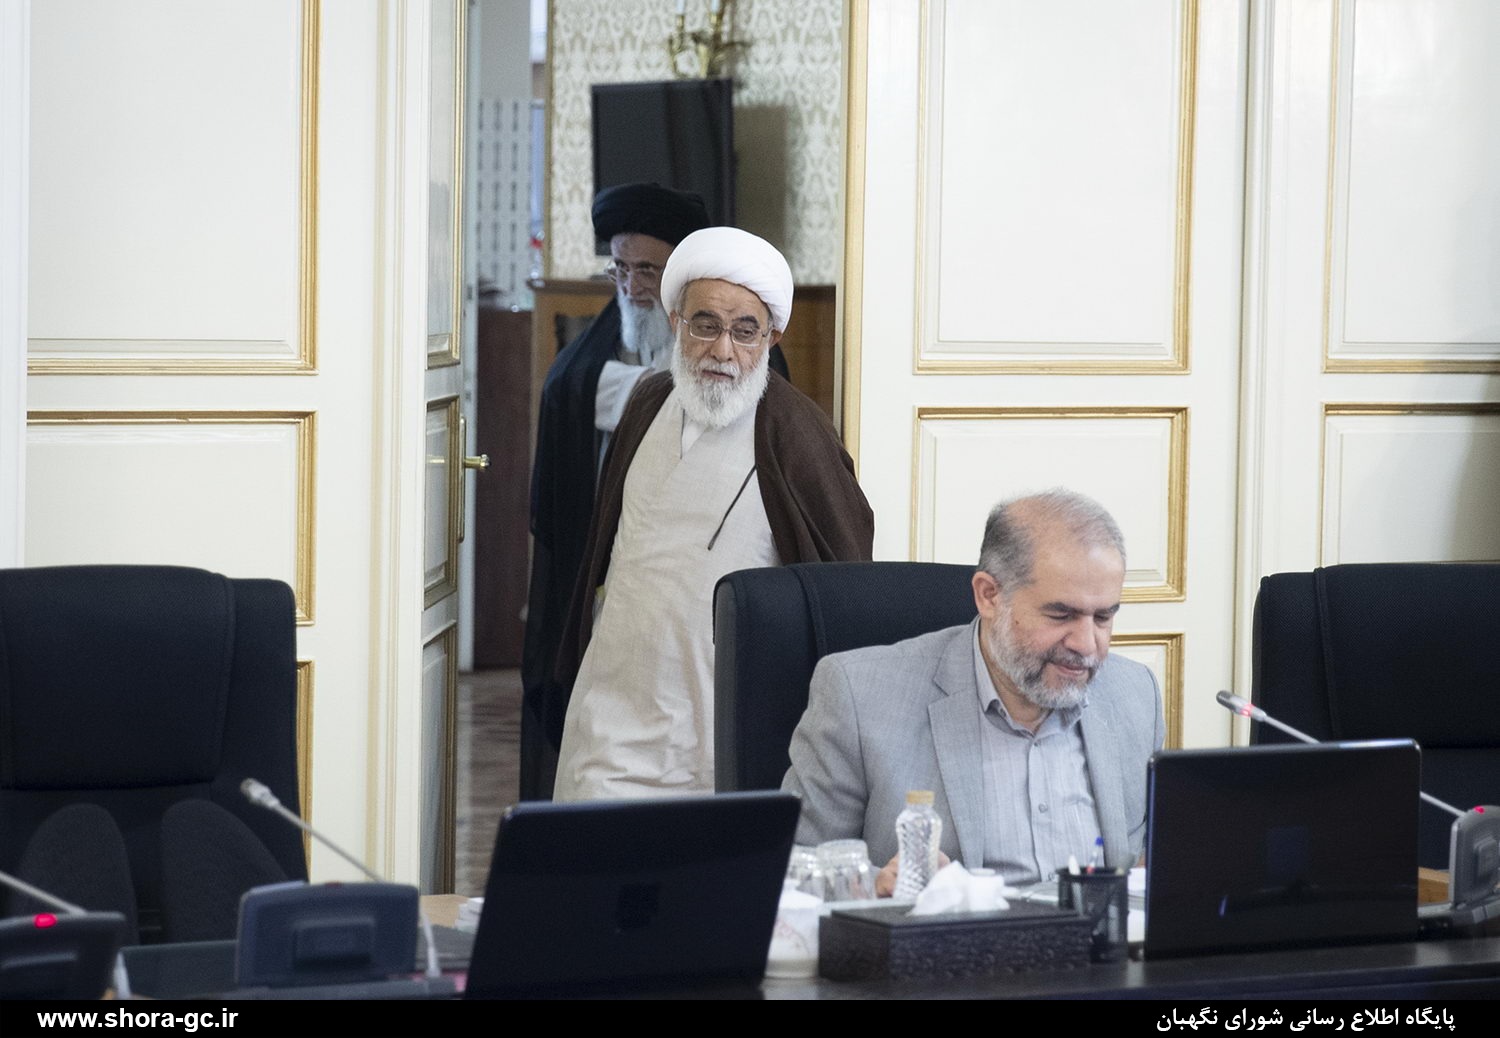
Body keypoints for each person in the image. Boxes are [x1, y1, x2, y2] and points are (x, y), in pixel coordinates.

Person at [551, 226, 874, 801]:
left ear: (771, 337)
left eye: (745, 331)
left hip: (718, 721)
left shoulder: (795, 432)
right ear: (676, 321)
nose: (723, 351)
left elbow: (845, 577)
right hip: (613, 702)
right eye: (706, 325)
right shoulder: (646, 403)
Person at [521, 184, 780, 799]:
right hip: (621, 629)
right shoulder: (629, 386)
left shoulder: (778, 413)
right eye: (621, 268)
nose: (632, 285)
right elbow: (569, 394)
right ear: (678, 319)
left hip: (712, 652)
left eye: (647, 271)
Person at [782, 488, 1164, 891]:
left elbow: (1147, 860)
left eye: (1103, 617)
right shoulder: (859, 696)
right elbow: (790, 870)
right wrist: (879, 886)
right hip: (948, 932)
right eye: (1060, 614)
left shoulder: (1134, 694)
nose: (1086, 645)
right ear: (989, 595)